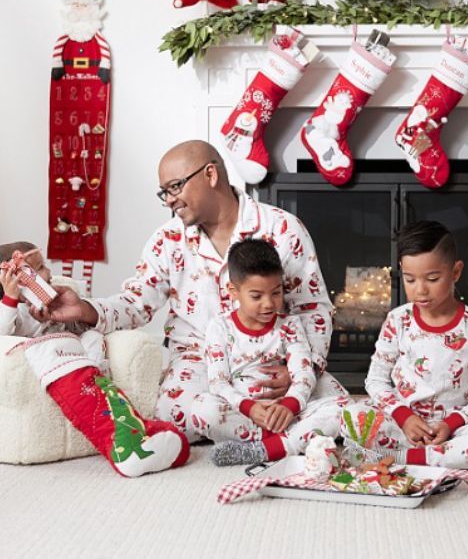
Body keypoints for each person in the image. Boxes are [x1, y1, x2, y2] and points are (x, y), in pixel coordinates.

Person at [34, 140, 341, 440]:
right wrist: (85, 309)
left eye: (175, 186)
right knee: (177, 416)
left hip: (273, 358)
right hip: (199, 361)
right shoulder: (166, 239)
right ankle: (285, 436)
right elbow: (136, 303)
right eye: (164, 192)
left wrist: (302, 368)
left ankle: (265, 426)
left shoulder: (282, 228)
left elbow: (313, 309)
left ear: (210, 174)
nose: (169, 200)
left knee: (341, 411)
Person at [1, 242, 189, 477]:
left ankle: (131, 431)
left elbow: (79, 325)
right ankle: (126, 449)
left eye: (45, 265)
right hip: (54, 365)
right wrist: (10, 298)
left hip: (85, 361)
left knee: (91, 336)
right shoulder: (15, 312)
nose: (48, 273)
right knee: (68, 353)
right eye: (38, 269)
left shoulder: (54, 302)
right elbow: (2, 330)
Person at [340, 221, 468, 469]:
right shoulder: (398, 320)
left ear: (455, 272)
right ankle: (432, 456)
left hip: (456, 428)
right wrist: (404, 417)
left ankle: (408, 459)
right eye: (409, 279)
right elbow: (375, 380)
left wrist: (452, 423)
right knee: (352, 419)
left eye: (432, 278)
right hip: (403, 424)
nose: (420, 290)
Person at [194, 239, 347, 465]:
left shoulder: (289, 325)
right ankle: (287, 441)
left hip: (289, 411)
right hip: (247, 412)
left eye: (276, 293)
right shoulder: (220, 327)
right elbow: (218, 383)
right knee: (202, 409)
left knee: (344, 408)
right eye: (256, 296)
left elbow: (303, 373)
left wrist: (290, 405)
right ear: (233, 292)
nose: (269, 304)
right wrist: (250, 407)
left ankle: (269, 448)